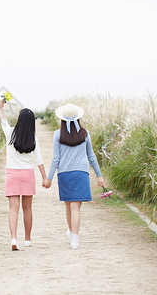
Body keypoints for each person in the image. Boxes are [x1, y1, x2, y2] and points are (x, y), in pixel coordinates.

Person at [43, 103, 104, 249]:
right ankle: (74, 239)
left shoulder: (58, 134)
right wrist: (99, 175)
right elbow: (91, 156)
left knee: (68, 206)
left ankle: (71, 232)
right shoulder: (85, 133)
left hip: (64, 174)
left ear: (62, 119)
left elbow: (55, 159)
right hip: (81, 173)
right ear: (78, 118)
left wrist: (49, 178)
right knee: (76, 208)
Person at [0, 100, 47, 250]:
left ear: (19, 120)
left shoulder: (10, 132)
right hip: (27, 174)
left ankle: (13, 239)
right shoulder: (33, 138)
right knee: (27, 208)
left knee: (13, 209)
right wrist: (44, 178)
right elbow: (39, 160)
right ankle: (27, 239)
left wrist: (0, 108)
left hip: (12, 173)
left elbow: (2, 119)